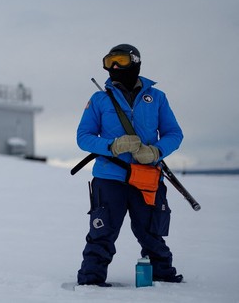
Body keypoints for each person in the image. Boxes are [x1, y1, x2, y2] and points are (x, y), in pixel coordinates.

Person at [76, 44, 184, 286]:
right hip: (109, 176)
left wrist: (156, 150)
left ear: (135, 62)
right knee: (101, 234)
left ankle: (163, 277)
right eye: (110, 61)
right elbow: (83, 137)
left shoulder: (156, 98)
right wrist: (112, 146)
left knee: (151, 233)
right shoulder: (99, 99)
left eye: (121, 60)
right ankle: (91, 282)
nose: (114, 67)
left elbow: (174, 133)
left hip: (147, 177)